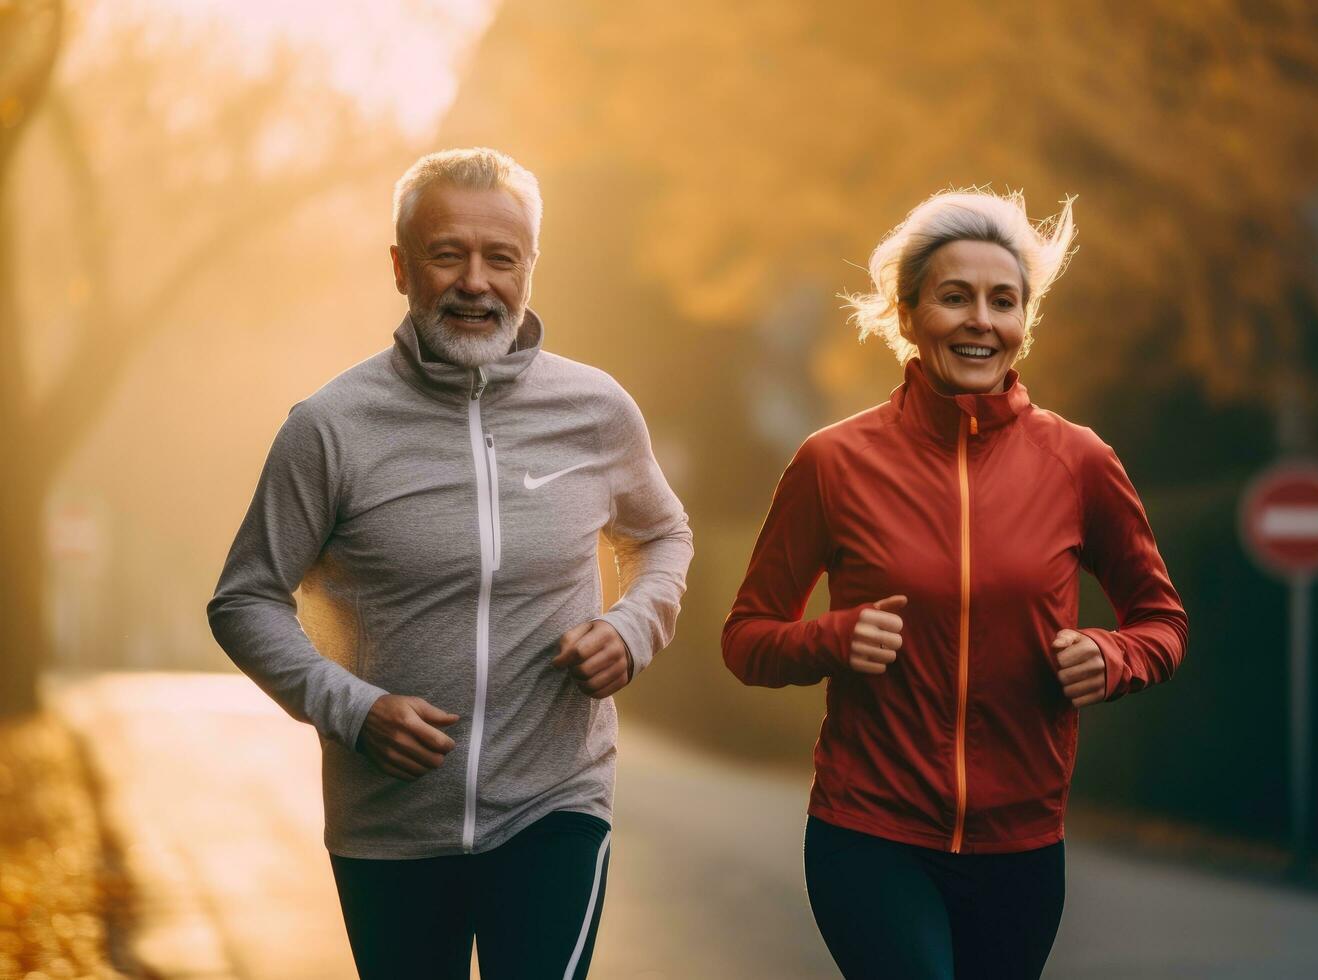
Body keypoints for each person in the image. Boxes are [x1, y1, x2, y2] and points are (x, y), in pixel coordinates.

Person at [208, 147, 693, 980]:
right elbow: (245, 599)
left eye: (501, 258)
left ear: (530, 268)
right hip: (387, 827)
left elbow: (664, 536)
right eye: (447, 254)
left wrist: (632, 627)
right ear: (401, 267)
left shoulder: (596, 410)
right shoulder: (331, 427)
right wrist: (354, 711)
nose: (477, 282)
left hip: (556, 802)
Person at [722, 189, 1188, 980]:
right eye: (954, 297)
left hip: (1022, 844)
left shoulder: (1079, 462)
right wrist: (834, 639)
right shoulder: (833, 464)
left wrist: (1112, 658)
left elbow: (1162, 622)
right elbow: (748, 637)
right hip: (869, 833)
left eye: (1002, 301)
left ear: (1023, 324)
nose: (981, 320)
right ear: (907, 316)